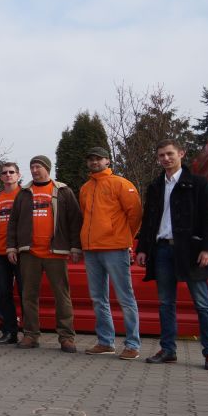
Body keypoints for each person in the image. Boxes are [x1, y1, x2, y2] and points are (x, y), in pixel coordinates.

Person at [135, 139, 208, 370]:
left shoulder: (198, 184)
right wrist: (142, 248)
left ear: (181, 153)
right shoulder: (155, 186)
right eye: (161, 155)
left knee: (202, 303)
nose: (166, 158)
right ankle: (168, 350)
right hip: (162, 249)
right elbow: (149, 220)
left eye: (170, 154)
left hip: (192, 251)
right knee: (165, 303)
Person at [7, 155, 82, 353]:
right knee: (29, 295)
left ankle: (66, 337)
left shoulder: (63, 191)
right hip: (29, 252)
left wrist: (75, 246)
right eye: (32, 167)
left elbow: (75, 220)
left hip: (55, 252)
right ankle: (31, 335)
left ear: (47, 168)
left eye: (38, 166)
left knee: (62, 296)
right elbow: (13, 222)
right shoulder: (24, 193)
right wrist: (11, 246)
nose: (34, 170)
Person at [79, 147, 143, 360]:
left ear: (108, 160)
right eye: (91, 159)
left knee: (125, 297)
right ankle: (105, 342)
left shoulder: (121, 184)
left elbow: (135, 215)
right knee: (98, 299)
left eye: (99, 158)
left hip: (115, 249)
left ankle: (132, 344)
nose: (94, 162)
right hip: (91, 250)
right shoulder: (85, 188)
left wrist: (125, 238)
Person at [0, 162, 23, 344]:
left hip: (20, 252)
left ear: (18, 175)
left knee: (26, 293)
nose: (8, 175)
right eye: (4, 173)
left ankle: (31, 333)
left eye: (11, 172)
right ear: (0, 177)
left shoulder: (25, 194)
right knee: (3, 293)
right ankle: (10, 332)